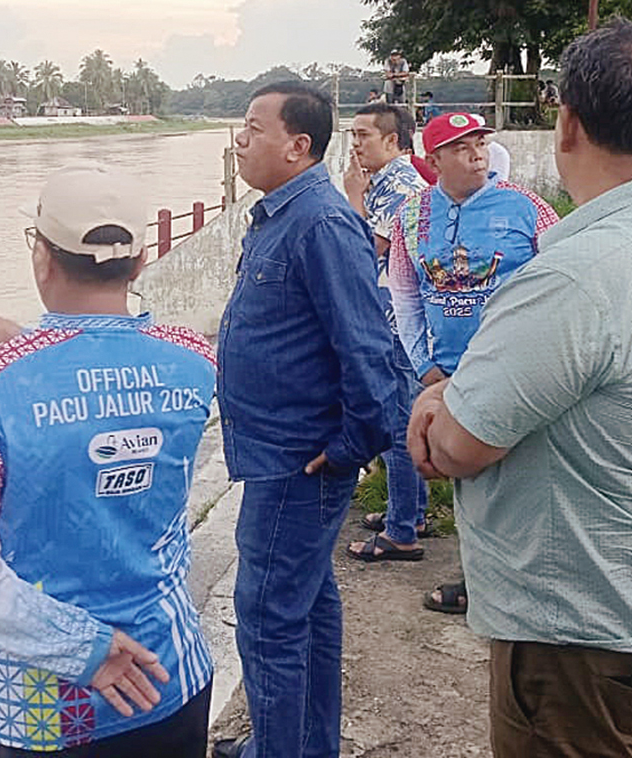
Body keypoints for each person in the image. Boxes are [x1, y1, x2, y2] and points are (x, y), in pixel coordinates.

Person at [408, 20, 632, 756]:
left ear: (569, 124)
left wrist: (432, 402)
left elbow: (455, 447)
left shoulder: (576, 275)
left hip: (588, 636)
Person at [0, 164, 219, 757]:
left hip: (33, 713)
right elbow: (109, 377)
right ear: (139, 263)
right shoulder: (193, 359)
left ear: (42, 257)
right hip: (170, 679)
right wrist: (33, 348)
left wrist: (85, 648)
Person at [211, 81, 403, 758]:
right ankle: (303, 746)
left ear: (297, 146)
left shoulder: (320, 223)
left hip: (297, 461)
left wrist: (353, 444)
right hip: (277, 452)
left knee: (268, 616)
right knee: (308, 607)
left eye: (253, 128)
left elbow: (368, 346)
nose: (240, 139)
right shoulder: (280, 216)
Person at [386, 112, 558, 613]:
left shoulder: (527, 207)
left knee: (525, 476)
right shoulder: (412, 215)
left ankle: (527, 580)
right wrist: (423, 363)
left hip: (518, 368)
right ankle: (477, 575)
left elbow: (564, 277)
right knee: (469, 477)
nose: (477, 154)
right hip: (448, 372)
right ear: (435, 159)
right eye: (462, 147)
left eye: (481, 143)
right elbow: (404, 292)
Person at [340, 102, 430, 562]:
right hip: (394, 317)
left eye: (364, 136)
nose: (355, 145)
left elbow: (361, 252)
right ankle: (412, 513)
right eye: (353, 135)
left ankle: (401, 532)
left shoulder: (399, 187)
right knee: (402, 417)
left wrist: (352, 198)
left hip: (397, 322)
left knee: (398, 424)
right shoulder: (387, 181)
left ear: (393, 141)